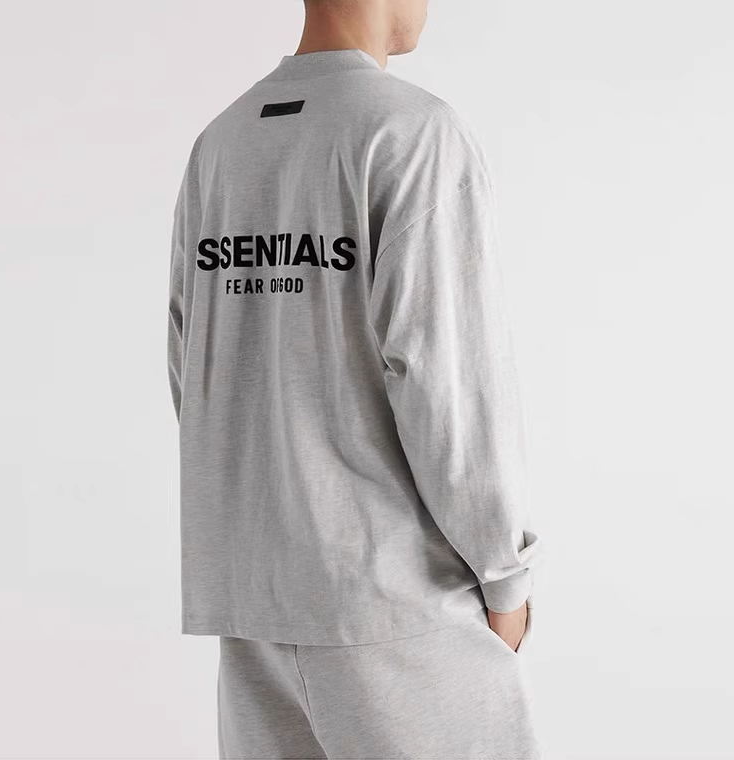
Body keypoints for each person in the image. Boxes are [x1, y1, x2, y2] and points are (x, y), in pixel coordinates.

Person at [167, 0, 545, 757]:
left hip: (254, 605)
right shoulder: (411, 131)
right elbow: (447, 381)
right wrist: (506, 579)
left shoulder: (222, 143)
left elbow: (191, 363)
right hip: (397, 605)